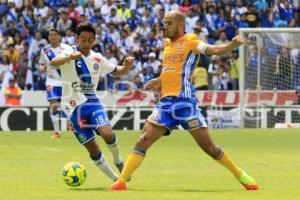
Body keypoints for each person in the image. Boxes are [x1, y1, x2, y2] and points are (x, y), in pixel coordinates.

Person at [109, 10, 259, 191]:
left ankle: (241, 175)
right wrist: (159, 80)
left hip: (185, 103)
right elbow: (170, 69)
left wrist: (230, 45)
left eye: (169, 23)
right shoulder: (166, 44)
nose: (165, 26)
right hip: (166, 103)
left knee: (209, 147)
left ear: (180, 25)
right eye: (164, 22)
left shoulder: (191, 41)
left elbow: (213, 50)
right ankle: (121, 182)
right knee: (144, 139)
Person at [50, 22, 134, 182]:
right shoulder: (69, 52)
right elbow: (54, 62)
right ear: (77, 38)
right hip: (72, 109)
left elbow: (118, 71)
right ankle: (115, 179)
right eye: (83, 39)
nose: (86, 43)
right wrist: (69, 57)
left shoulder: (98, 58)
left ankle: (118, 160)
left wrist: (127, 67)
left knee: (107, 133)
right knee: (93, 147)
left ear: (94, 40)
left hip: (92, 102)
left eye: (89, 40)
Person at [39, 29, 70, 138]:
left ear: (59, 37)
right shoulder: (45, 50)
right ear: (48, 37)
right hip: (52, 81)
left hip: (65, 80)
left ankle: (71, 125)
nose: (52, 36)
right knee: (53, 105)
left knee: (68, 104)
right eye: (50, 35)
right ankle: (57, 131)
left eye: (54, 35)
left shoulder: (66, 48)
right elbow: (42, 64)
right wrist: (41, 68)